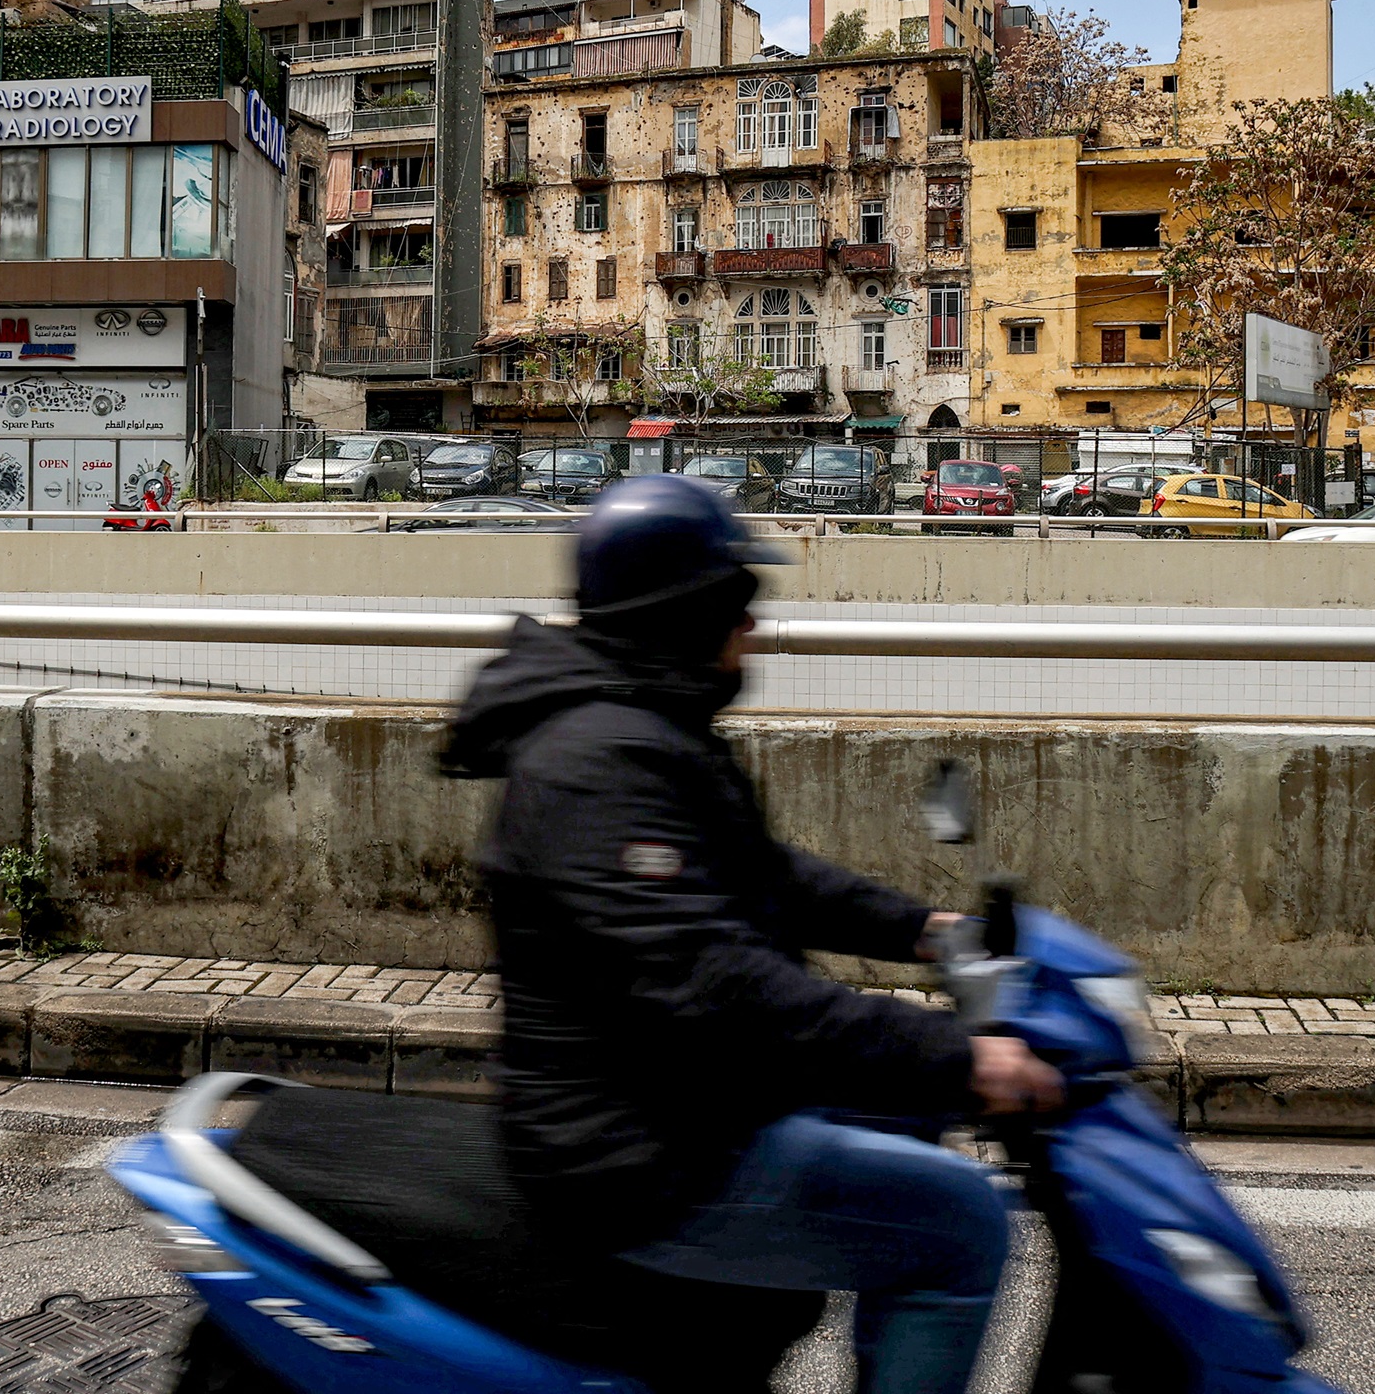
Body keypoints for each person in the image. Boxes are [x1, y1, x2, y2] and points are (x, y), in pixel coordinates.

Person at [443, 475, 1059, 1394]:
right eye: (737, 604)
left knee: (911, 1120)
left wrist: (928, 929)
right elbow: (715, 981)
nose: (753, 627)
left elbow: (761, 874)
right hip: (641, 1154)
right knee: (962, 1225)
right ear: (682, 611)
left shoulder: (643, 728)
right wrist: (960, 1054)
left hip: (680, 1099)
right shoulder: (597, 762)